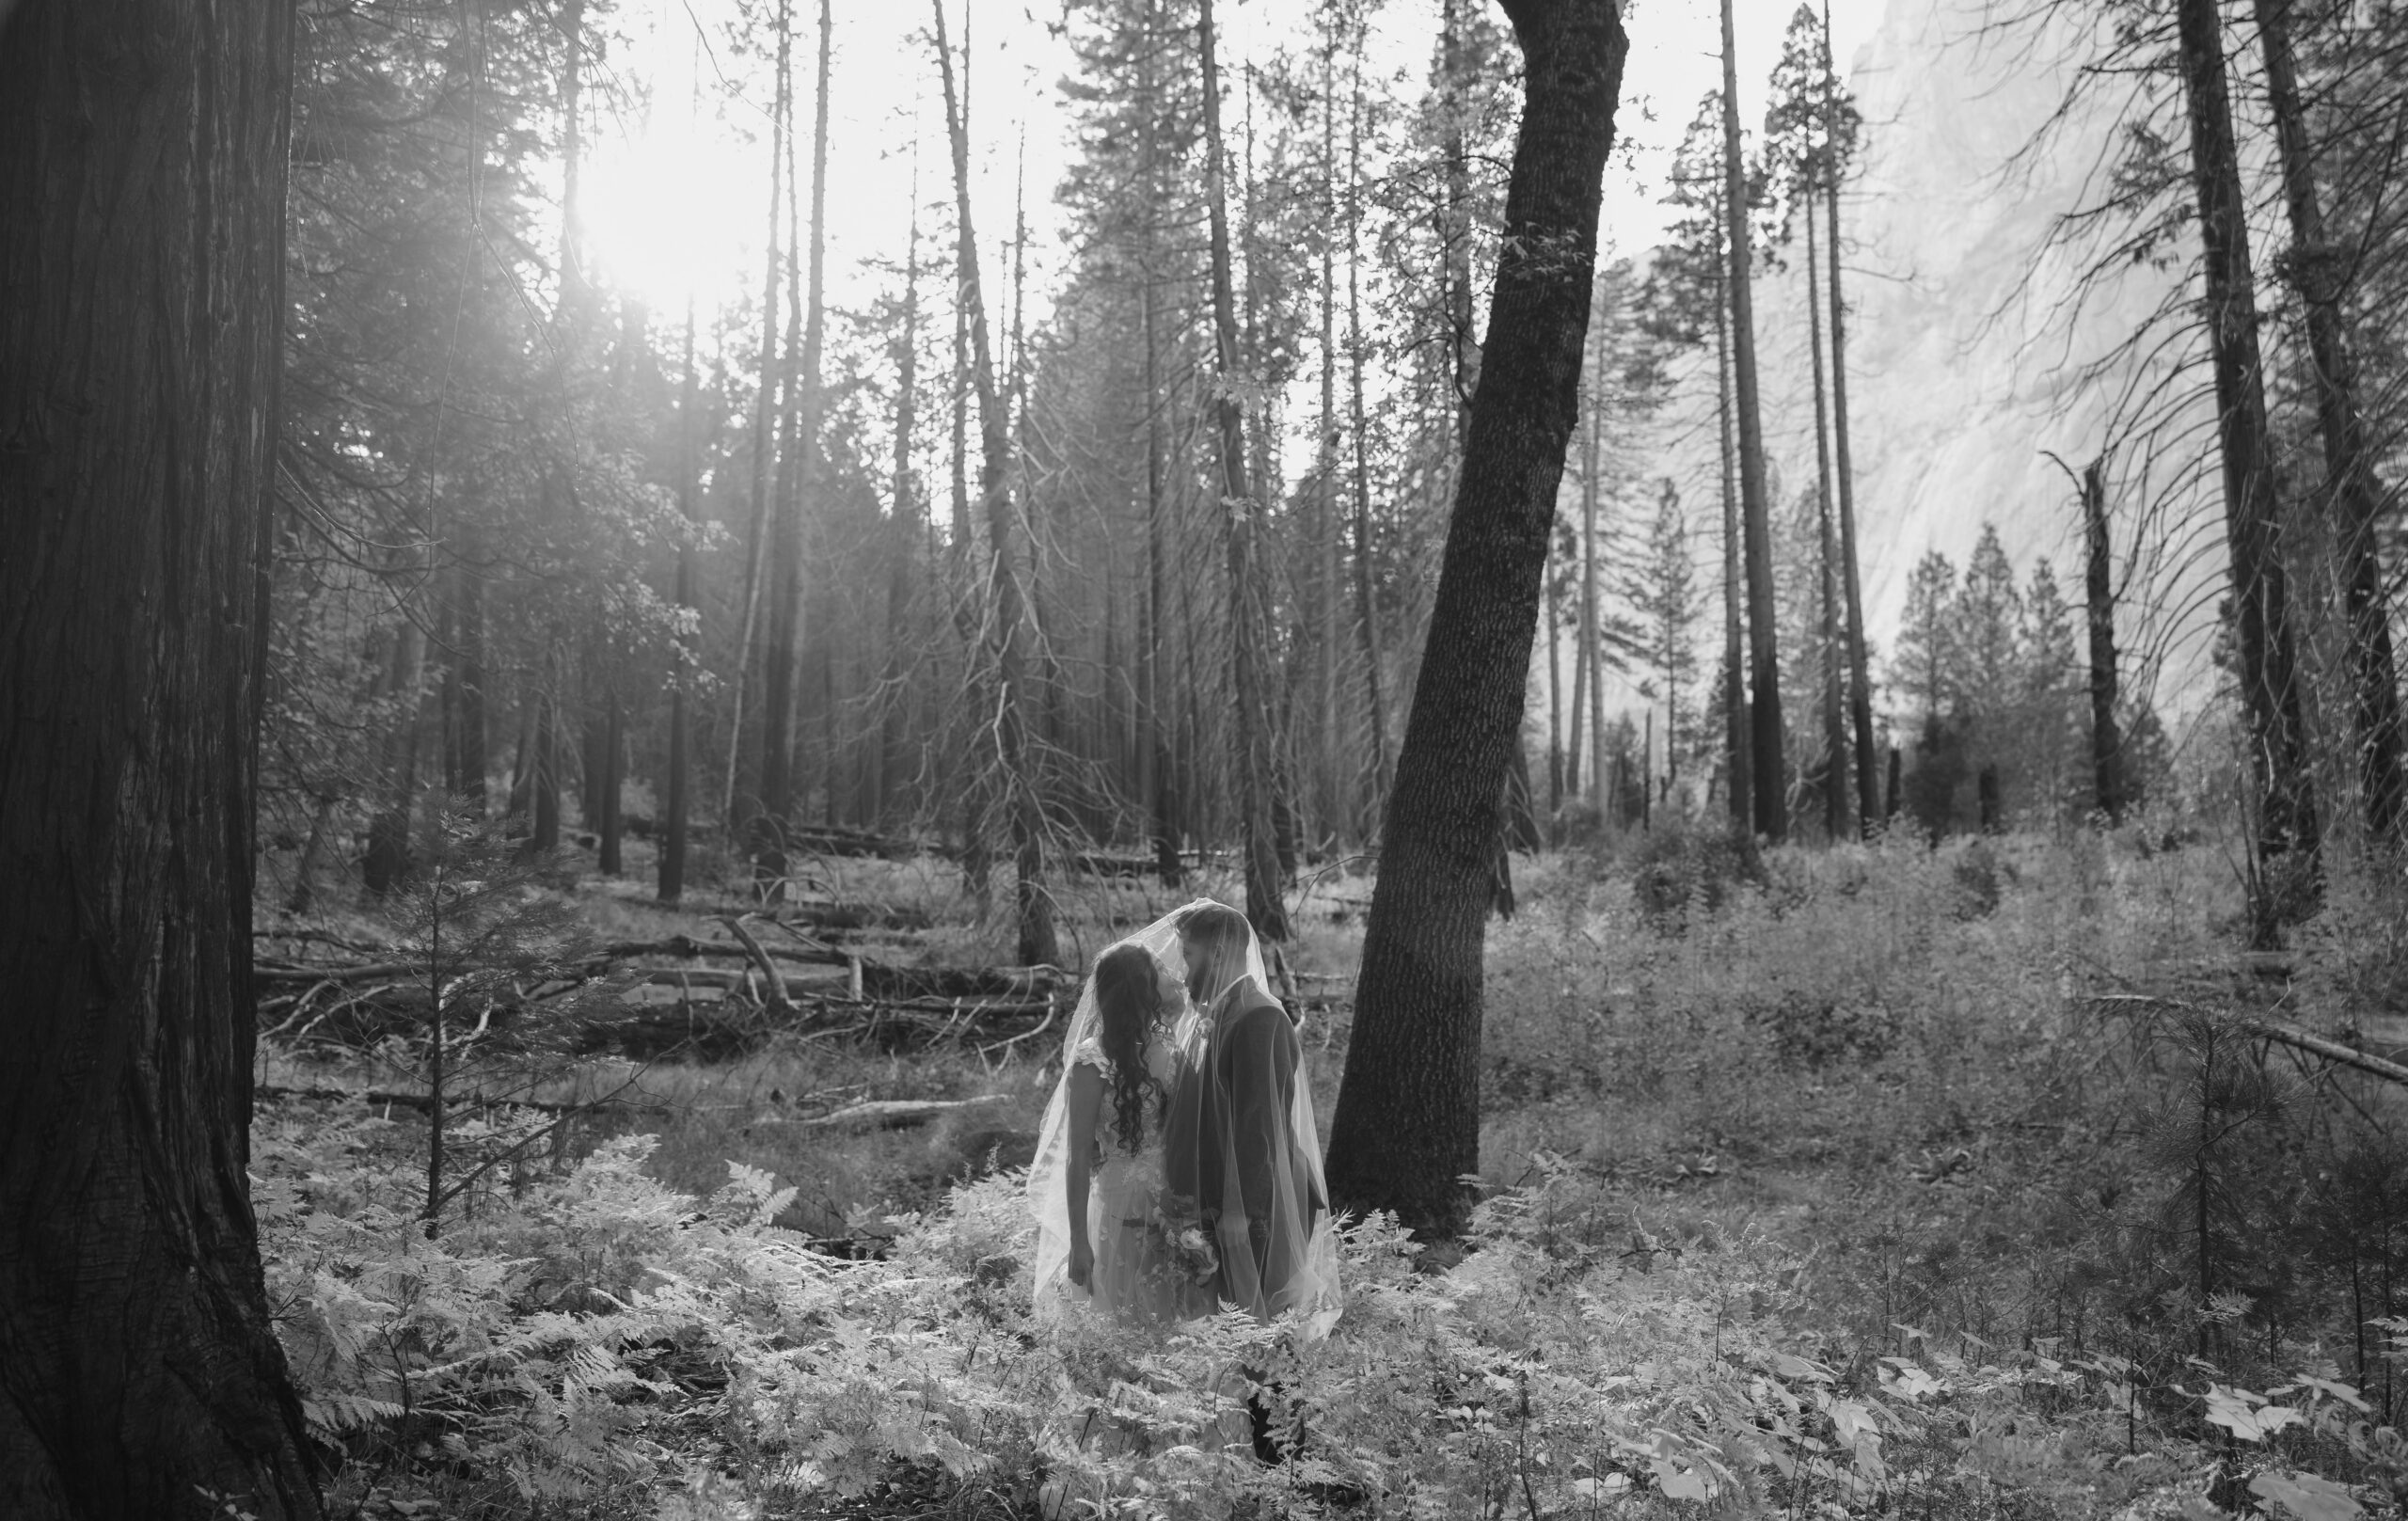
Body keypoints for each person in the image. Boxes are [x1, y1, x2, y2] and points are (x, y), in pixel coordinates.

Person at [1163, 900, 1341, 1463]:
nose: (1180, 966)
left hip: (1261, 1202)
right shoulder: (1220, 1013)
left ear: (1215, 950)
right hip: (1235, 1202)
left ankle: (1288, 1464)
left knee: (1270, 1335)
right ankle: (1272, 1462)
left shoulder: (1258, 1016)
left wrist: (1243, 1216)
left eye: (1186, 953)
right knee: (1250, 1334)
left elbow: (1258, 1128)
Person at [1029, 907, 1220, 1326]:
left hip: (1173, 1195)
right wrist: (1078, 1240)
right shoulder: (1092, 1061)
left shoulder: (1169, 1046)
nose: (1170, 973)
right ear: (1138, 987)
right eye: (1157, 969)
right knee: (1123, 1312)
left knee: (1171, 1310)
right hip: (1120, 1199)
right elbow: (1078, 1156)